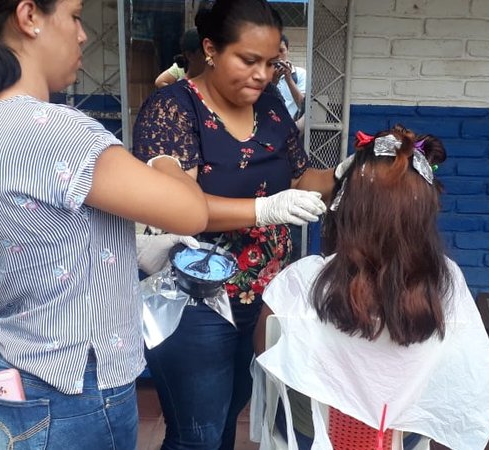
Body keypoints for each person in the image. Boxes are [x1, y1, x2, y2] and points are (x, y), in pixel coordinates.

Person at [0, 1, 209, 449]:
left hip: (1, 358)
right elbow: (191, 212)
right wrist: (166, 159)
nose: (82, 34)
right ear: (29, 15)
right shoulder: (52, 131)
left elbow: (40, 229)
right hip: (68, 391)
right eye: (73, 15)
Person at [131, 0, 346, 448]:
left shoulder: (270, 108)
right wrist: (262, 210)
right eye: (248, 60)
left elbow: (299, 177)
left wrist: (344, 174)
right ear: (210, 48)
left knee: (231, 410)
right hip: (196, 300)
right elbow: (176, 204)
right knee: (199, 433)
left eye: (272, 63)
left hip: (264, 293)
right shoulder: (172, 109)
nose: (263, 75)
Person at [253, 125, 489, 449]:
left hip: (311, 433)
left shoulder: (302, 280)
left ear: (348, 207)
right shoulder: (448, 281)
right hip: (402, 433)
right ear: (424, 213)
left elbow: (265, 351)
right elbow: (467, 370)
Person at [272, 34, 306, 122]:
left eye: (281, 50)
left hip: (292, 125)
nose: (278, 55)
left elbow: (302, 105)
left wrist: (289, 78)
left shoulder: (300, 74)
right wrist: (273, 82)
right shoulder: (262, 74)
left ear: (287, 51)